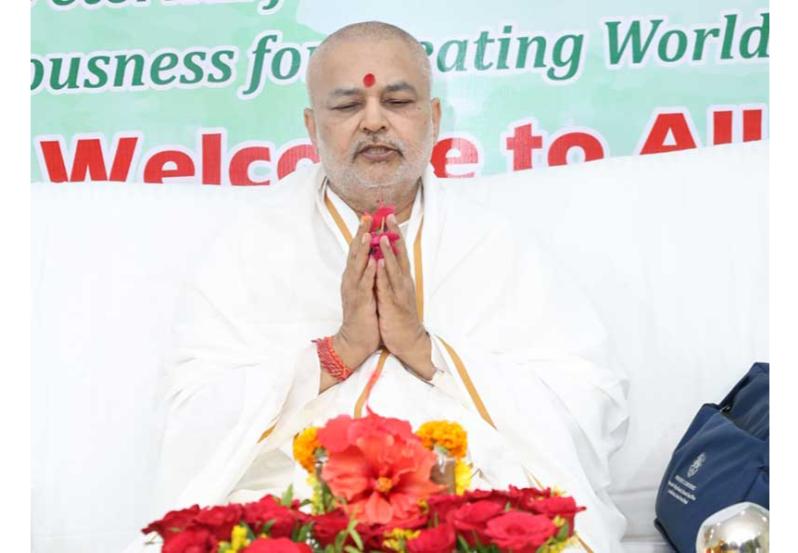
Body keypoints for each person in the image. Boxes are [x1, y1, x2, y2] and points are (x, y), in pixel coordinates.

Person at [136, 21, 629, 552]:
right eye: (348, 105)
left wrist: (423, 350)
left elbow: (590, 403)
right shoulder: (251, 247)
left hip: (466, 506)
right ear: (312, 127)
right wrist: (338, 353)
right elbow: (189, 421)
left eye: (396, 101)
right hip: (295, 511)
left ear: (434, 119)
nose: (373, 121)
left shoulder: (495, 245)